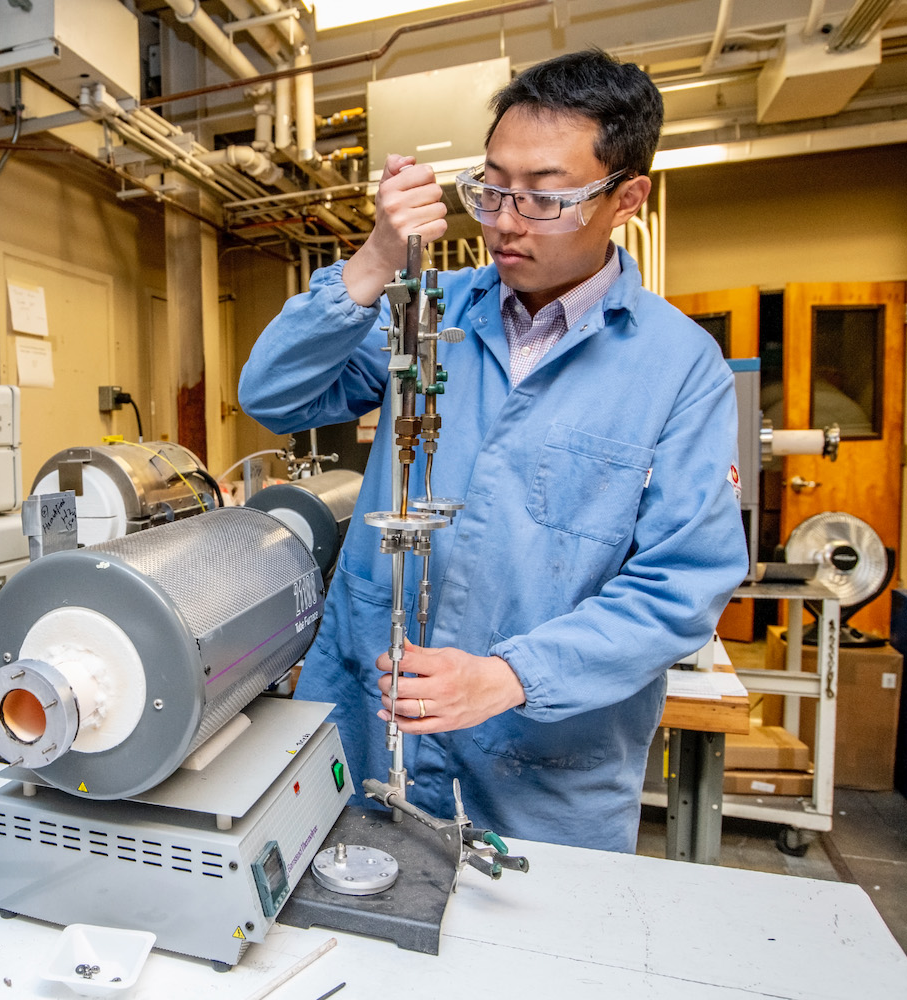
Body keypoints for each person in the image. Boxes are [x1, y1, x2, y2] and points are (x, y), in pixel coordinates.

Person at [238, 49, 748, 852]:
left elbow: (684, 581)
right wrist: (373, 258)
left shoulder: (678, 367)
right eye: (492, 187)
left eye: (545, 197)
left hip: (542, 774)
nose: (505, 220)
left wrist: (511, 676)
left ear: (627, 199)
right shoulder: (425, 313)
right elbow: (273, 395)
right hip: (373, 737)